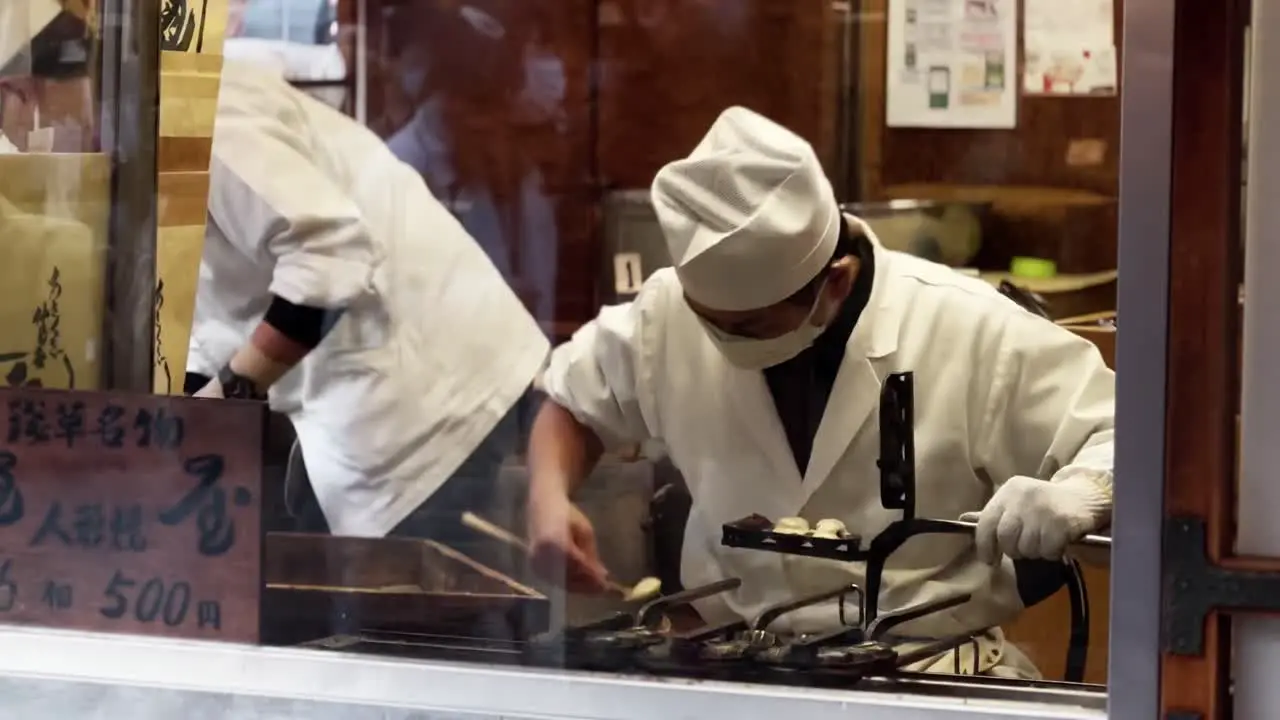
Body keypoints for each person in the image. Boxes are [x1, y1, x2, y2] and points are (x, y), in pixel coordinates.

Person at [525, 107, 1114, 677]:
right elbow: (574, 399)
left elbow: (1124, 432)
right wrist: (549, 498)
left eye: (748, 328)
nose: (719, 341)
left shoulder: (966, 326)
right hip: (740, 666)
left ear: (836, 283)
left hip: (931, 669)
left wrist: (1082, 491)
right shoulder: (669, 314)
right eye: (707, 319)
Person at [186, 59, 549, 543]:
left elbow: (329, 255)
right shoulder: (159, 124)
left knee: (408, 609)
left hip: (422, 394)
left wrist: (231, 392)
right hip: (380, 395)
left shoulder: (199, 110)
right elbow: (224, 291)